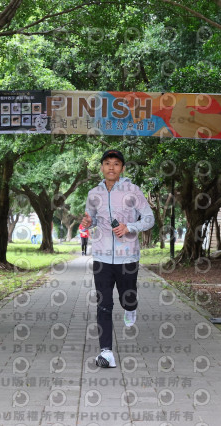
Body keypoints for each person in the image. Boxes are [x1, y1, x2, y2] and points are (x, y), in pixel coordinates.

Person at [81, 149, 154, 368]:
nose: (111, 167)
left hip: (127, 257)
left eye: (116, 163)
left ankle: (130, 308)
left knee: (127, 299)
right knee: (104, 303)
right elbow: (92, 219)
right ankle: (106, 352)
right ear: (101, 167)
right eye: (107, 163)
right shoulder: (94, 193)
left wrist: (129, 227)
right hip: (102, 256)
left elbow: (149, 218)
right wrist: (88, 223)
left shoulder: (133, 191)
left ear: (122, 168)